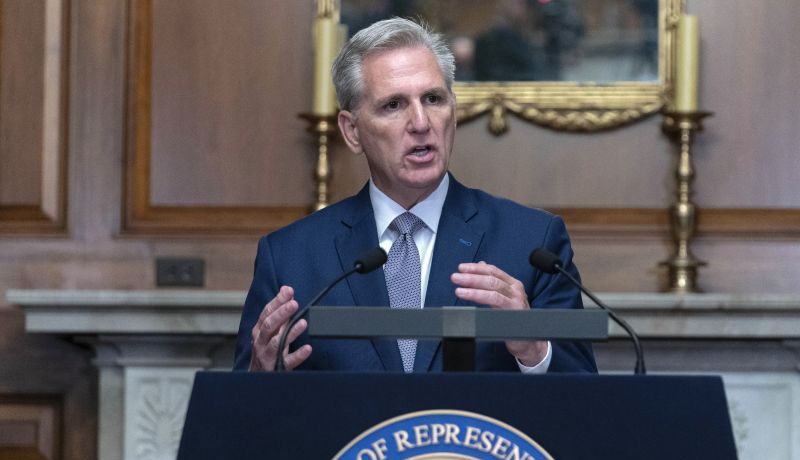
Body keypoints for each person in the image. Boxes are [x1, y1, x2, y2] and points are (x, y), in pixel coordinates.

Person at [234, 17, 596, 373]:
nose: (421, 123)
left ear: (453, 113)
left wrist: (534, 350)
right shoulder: (290, 258)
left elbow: (586, 405)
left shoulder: (533, 244)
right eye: (393, 105)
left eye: (433, 99)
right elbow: (239, 421)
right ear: (352, 131)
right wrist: (258, 381)